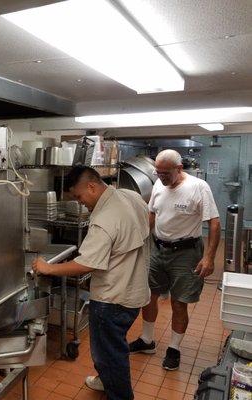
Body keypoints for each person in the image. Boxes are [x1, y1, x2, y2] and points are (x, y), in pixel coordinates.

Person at [33, 166, 150, 400]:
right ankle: (105, 380)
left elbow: (86, 266)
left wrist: (48, 268)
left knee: (110, 354)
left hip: (112, 300)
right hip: (135, 291)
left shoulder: (104, 219)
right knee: (112, 347)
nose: (80, 203)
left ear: (92, 186)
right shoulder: (131, 196)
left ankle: (119, 395)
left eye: (79, 197)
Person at [129, 149, 221, 371]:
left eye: (165, 173)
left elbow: (215, 223)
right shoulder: (159, 184)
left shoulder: (199, 187)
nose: (161, 177)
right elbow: (152, 213)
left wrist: (209, 258)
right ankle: (147, 340)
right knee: (149, 295)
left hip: (186, 252)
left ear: (179, 169)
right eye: (158, 172)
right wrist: (140, 240)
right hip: (158, 249)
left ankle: (174, 348)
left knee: (179, 302)